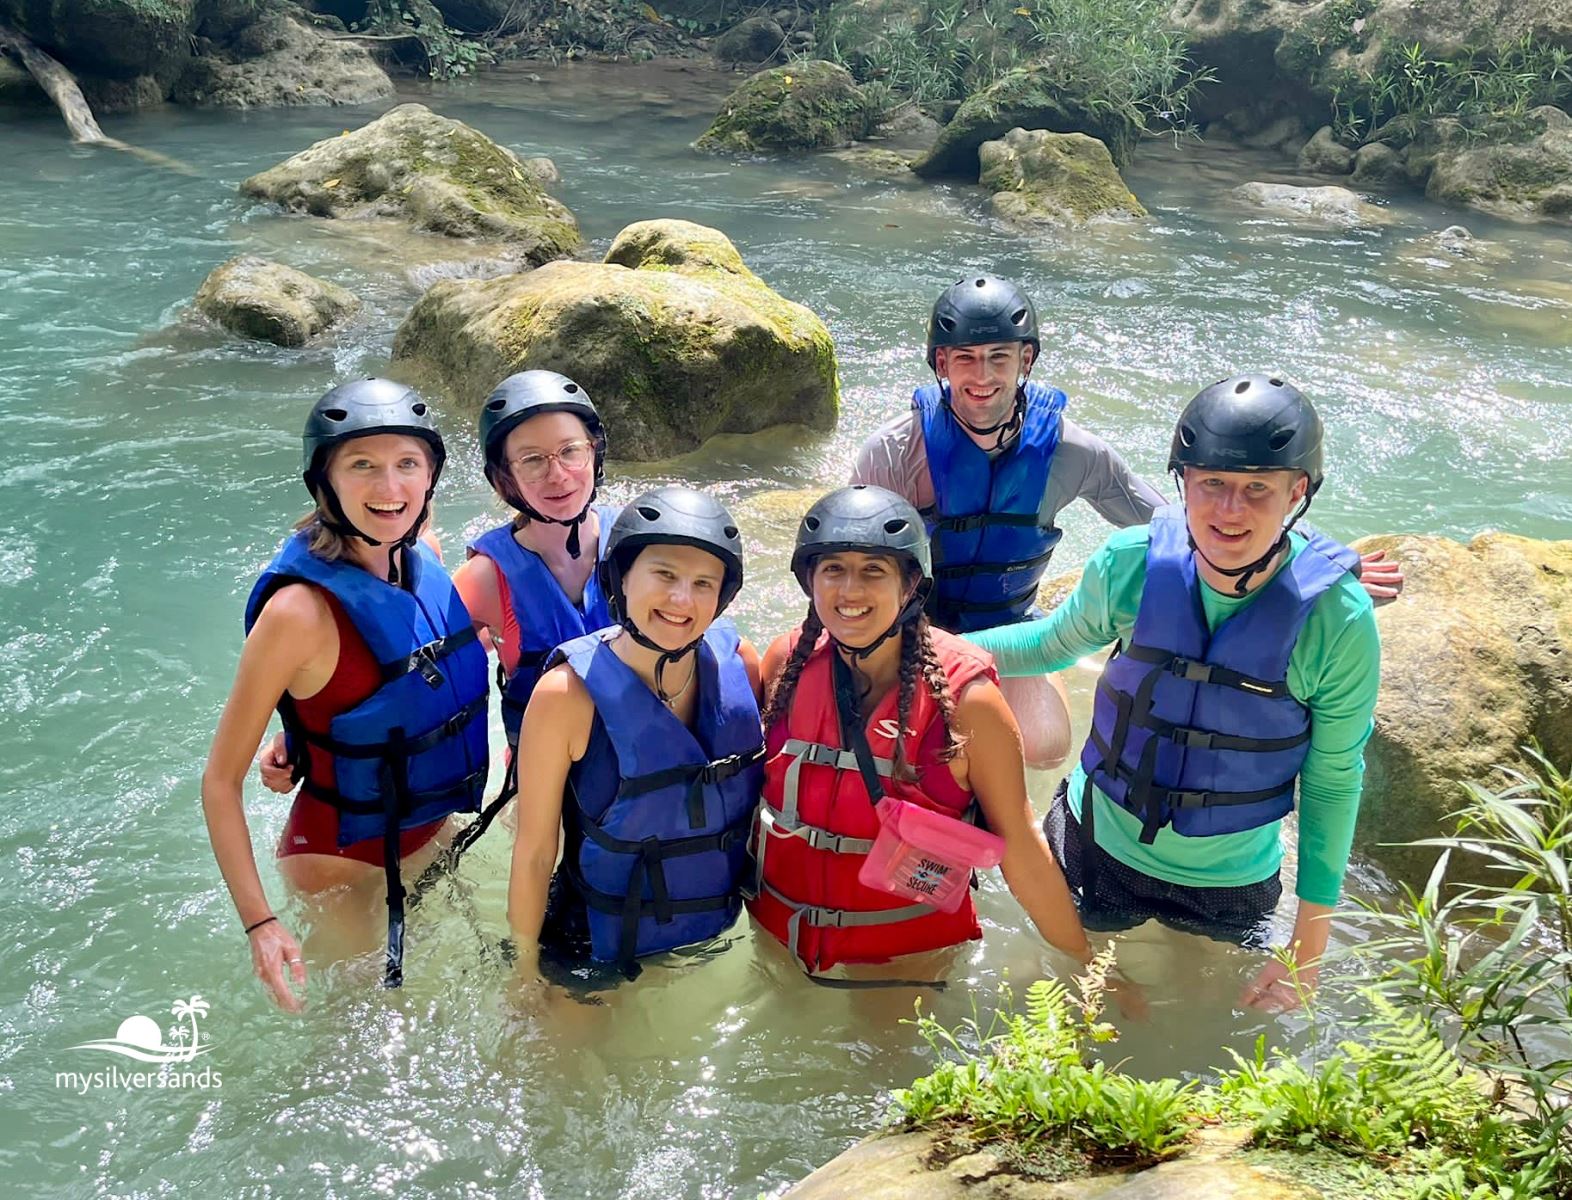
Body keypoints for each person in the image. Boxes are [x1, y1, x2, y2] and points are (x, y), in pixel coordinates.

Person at [852, 274, 1402, 768]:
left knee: (1043, 747)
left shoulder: (1073, 452)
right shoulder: (896, 452)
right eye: (966, 358)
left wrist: (1311, 552)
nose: (983, 376)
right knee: (887, 744)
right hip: (909, 631)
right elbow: (845, 563)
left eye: (1000, 357)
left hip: (1011, 625)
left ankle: (1015, 737)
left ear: (1027, 362)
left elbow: (1181, 520)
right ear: (941, 364)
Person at [966, 374, 1382, 1013]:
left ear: (1298, 492)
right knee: (1067, 1010)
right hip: (1097, 843)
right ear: (1182, 482)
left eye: (1257, 489)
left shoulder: (1339, 623)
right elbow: (1049, 644)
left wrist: (1310, 939)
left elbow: (1332, 779)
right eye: (1211, 482)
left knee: (1209, 1027)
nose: (1229, 510)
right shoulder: (1130, 564)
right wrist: (926, 645)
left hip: (1232, 881)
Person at [202, 379, 490, 1009]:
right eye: (363, 466)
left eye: (407, 464)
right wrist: (260, 924)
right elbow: (219, 784)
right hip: (341, 866)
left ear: (431, 477)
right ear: (323, 481)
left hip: (430, 833)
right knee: (360, 1058)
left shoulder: (425, 559)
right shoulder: (297, 614)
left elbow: (388, 685)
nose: (390, 489)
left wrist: (301, 734)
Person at [747, 485, 1093, 983]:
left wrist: (1084, 966)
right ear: (809, 581)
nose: (850, 591)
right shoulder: (787, 663)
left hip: (904, 958)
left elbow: (1019, 845)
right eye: (833, 570)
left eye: (873, 571)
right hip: (782, 938)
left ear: (910, 586)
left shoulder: (968, 703)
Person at [507, 487, 764, 984]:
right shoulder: (565, 695)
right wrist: (523, 973)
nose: (681, 600)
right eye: (664, 574)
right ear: (621, 577)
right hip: (592, 947)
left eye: (703, 583)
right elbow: (536, 851)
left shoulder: (741, 663)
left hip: (711, 932)